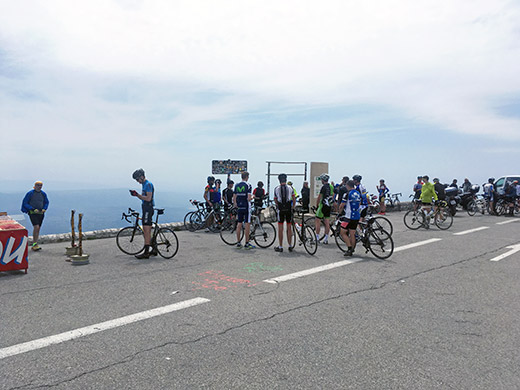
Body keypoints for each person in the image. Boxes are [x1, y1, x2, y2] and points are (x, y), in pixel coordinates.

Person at [130, 169, 155, 258]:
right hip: (146, 208)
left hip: (148, 208)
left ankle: (146, 253)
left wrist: (137, 195)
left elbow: (148, 198)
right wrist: (137, 195)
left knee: (146, 231)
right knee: (146, 230)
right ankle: (154, 249)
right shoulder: (144, 184)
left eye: (137, 179)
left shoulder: (148, 184)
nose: (137, 182)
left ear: (142, 177)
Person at [21, 181, 49, 251]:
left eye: (40, 185)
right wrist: (32, 209)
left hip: (41, 213)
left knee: (38, 228)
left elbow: (46, 202)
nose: (39, 186)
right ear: (35, 186)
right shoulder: (30, 193)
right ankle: (34, 244)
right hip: (33, 213)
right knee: (36, 227)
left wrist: (44, 208)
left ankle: (35, 243)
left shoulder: (43, 194)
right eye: (38, 185)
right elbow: (25, 203)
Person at [338, 180, 361, 257]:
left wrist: (339, 213)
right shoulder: (357, 193)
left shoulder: (347, 194)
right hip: (357, 216)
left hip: (348, 217)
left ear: (348, 186)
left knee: (342, 232)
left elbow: (342, 205)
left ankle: (349, 248)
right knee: (352, 233)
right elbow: (359, 203)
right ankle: (352, 249)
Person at [273, 174, 296, 252]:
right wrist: (293, 207)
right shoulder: (290, 188)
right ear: (286, 180)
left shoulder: (276, 188)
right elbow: (294, 198)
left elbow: (275, 199)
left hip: (281, 209)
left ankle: (280, 246)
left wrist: (278, 205)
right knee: (289, 227)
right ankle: (290, 245)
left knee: (280, 228)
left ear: (279, 180)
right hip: (288, 208)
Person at [233, 171, 255, 249]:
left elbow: (234, 197)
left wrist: (235, 204)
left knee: (239, 223)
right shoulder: (248, 185)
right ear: (247, 177)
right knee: (247, 224)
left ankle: (238, 242)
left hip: (239, 206)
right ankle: (246, 243)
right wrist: (253, 197)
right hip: (246, 207)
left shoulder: (236, 185)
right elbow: (249, 198)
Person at [315, 174, 334, 244]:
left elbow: (319, 197)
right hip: (328, 206)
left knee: (317, 221)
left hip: (322, 205)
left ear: (323, 180)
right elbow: (333, 195)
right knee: (327, 223)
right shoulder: (331, 186)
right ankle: (326, 239)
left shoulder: (323, 187)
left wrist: (317, 205)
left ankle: (317, 238)